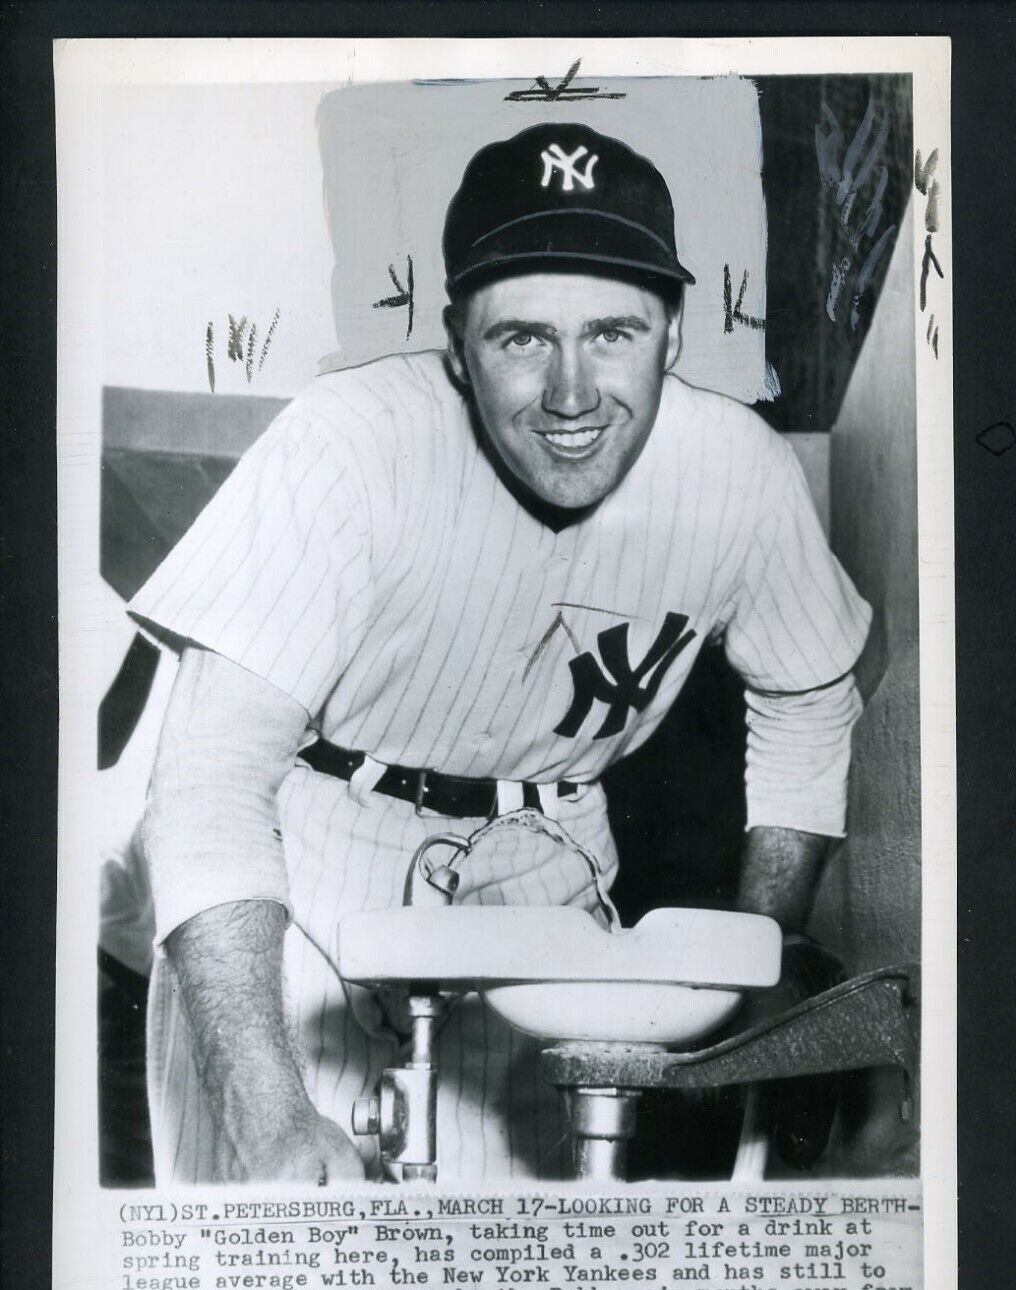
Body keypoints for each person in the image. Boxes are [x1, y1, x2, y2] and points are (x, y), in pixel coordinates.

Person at [129, 122, 871, 1185]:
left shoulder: (737, 474)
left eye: (612, 331)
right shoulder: (347, 443)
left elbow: (808, 696)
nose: (571, 393)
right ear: (454, 340)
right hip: (300, 879)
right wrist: (265, 1110)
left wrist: (759, 948)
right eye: (521, 337)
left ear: (671, 333)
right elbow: (206, 784)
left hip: (545, 878)